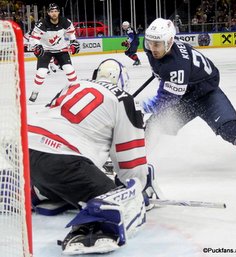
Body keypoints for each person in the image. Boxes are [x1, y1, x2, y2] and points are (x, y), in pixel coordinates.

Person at [28, 59, 159, 254]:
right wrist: (136, 188)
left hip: (26, 147)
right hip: (63, 159)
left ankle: (38, 190)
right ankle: (89, 232)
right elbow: (130, 160)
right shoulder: (124, 99)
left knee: (59, 174)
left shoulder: (74, 85)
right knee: (122, 203)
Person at [142, 18, 236, 183]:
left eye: (157, 44)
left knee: (229, 128)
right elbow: (167, 77)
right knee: (155, 125)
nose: (152, 48)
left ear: (169, 41)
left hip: (206, 94)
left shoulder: (176, 64)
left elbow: (167, 99)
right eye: (150, 42)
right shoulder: (153, 49)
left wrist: (147, 105)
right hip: (187, 92)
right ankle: (133, 161)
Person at [28, 3, 80, 102]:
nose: (54, 13)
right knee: (42, 72)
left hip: (61, 49)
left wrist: (73, 42)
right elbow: (34, 37)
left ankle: (77, 91)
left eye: (56, 11)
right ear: (48, 13)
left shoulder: (65, 21)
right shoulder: (42, 23)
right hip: (46, 50)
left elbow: (71, 32)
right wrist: (37, 45)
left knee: (69, 69)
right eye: (52, 11)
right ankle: (35, 92)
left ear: (59, 12)